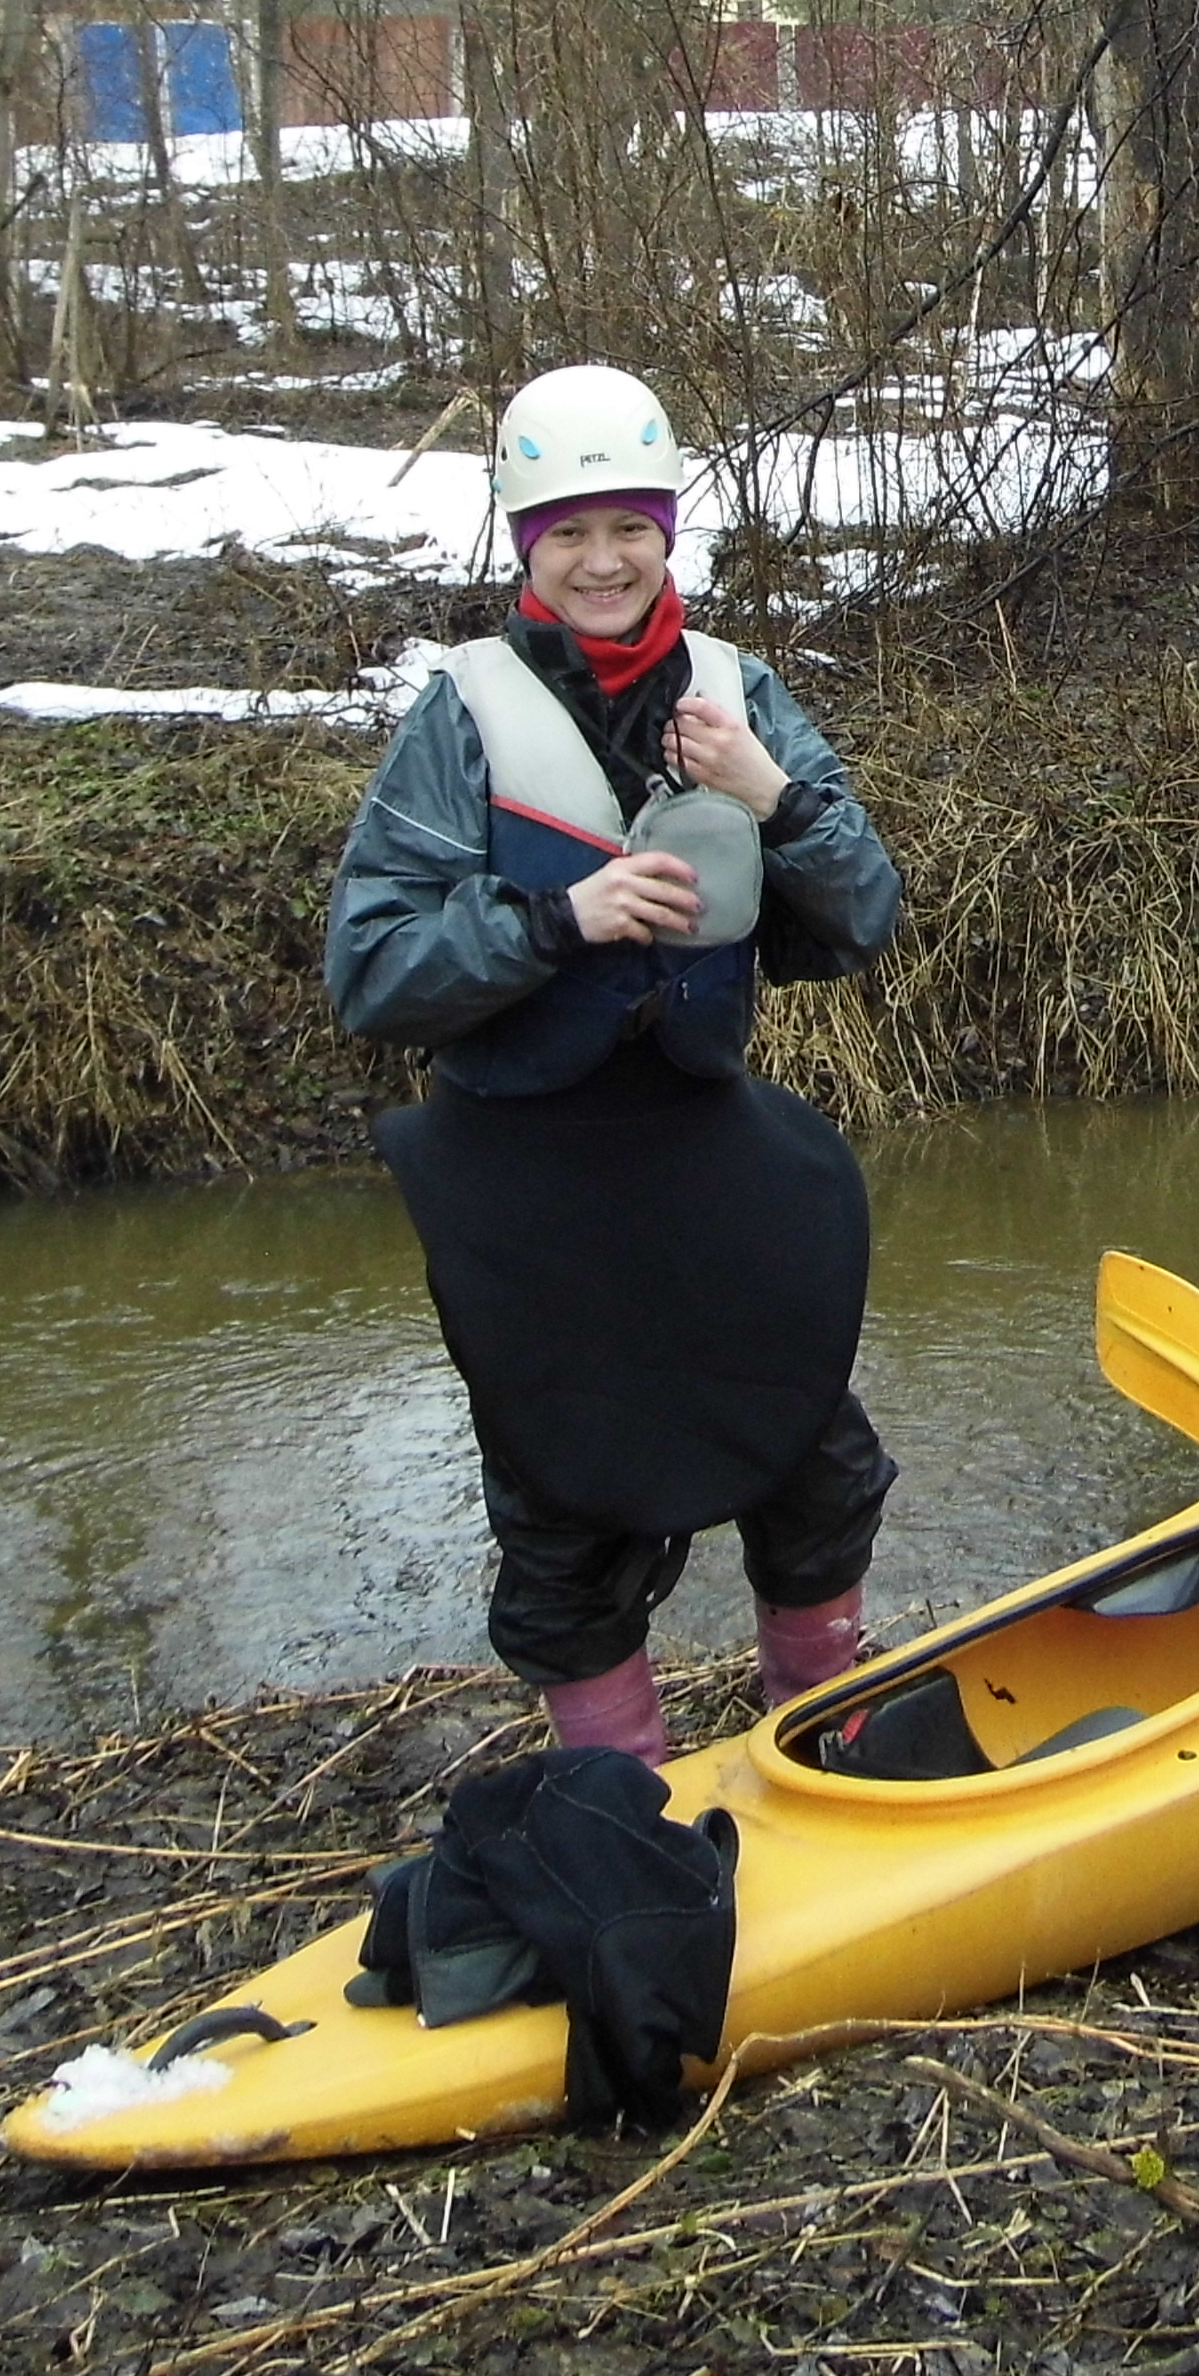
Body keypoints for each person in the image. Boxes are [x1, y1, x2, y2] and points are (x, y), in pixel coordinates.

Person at [326, 363, 907, 1766]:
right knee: (566, 1516)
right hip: (525, 1168)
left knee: (817, 1458)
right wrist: (554, 920)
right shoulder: (462, 712)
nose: (602, 562)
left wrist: (776, 799)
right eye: (568, 533)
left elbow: (861, 919)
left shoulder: (736, 692)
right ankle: (620, 1795)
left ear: (666, 534)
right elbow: (372, 973)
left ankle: (821, 1735)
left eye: (629, 529)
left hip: (697, 1137)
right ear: (525, 543)